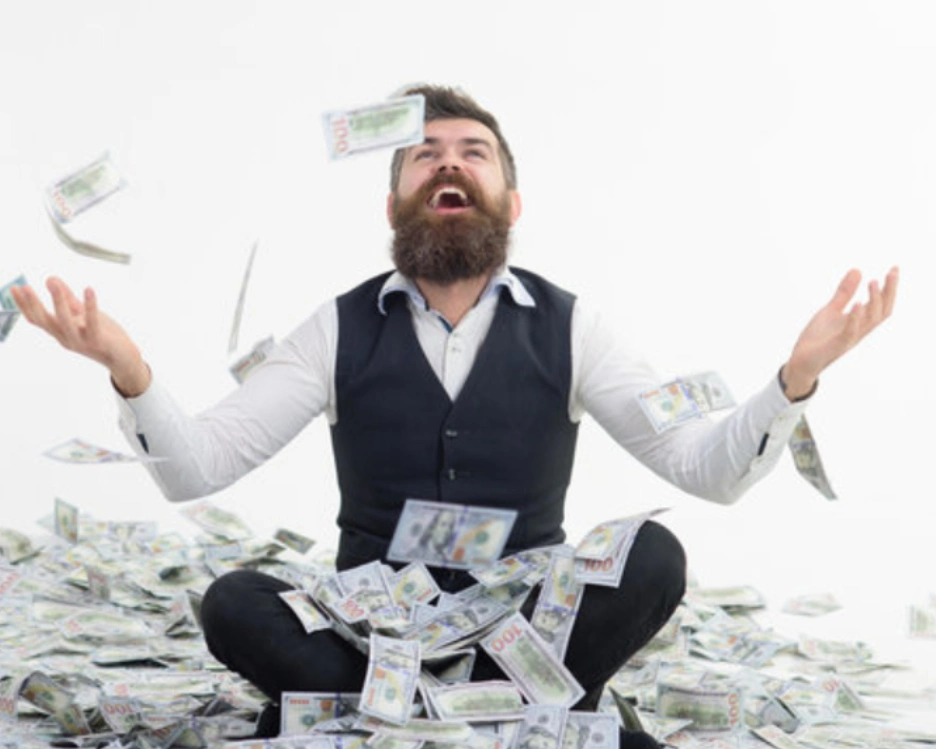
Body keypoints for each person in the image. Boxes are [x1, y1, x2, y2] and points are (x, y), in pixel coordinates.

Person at [10, 84, 898, 748]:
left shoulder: (576, 325)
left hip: (529, 624)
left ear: (510, 203)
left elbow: (703, 468)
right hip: (370, 630)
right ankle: (523, 719)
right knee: (235, 602)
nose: (448, 162)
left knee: (656, 554)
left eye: (473, 151)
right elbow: (198, 467)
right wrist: (129, 372)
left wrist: (793, 380)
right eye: (423, 153)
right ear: (392, 202)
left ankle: (423, 716)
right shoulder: (337, 327)